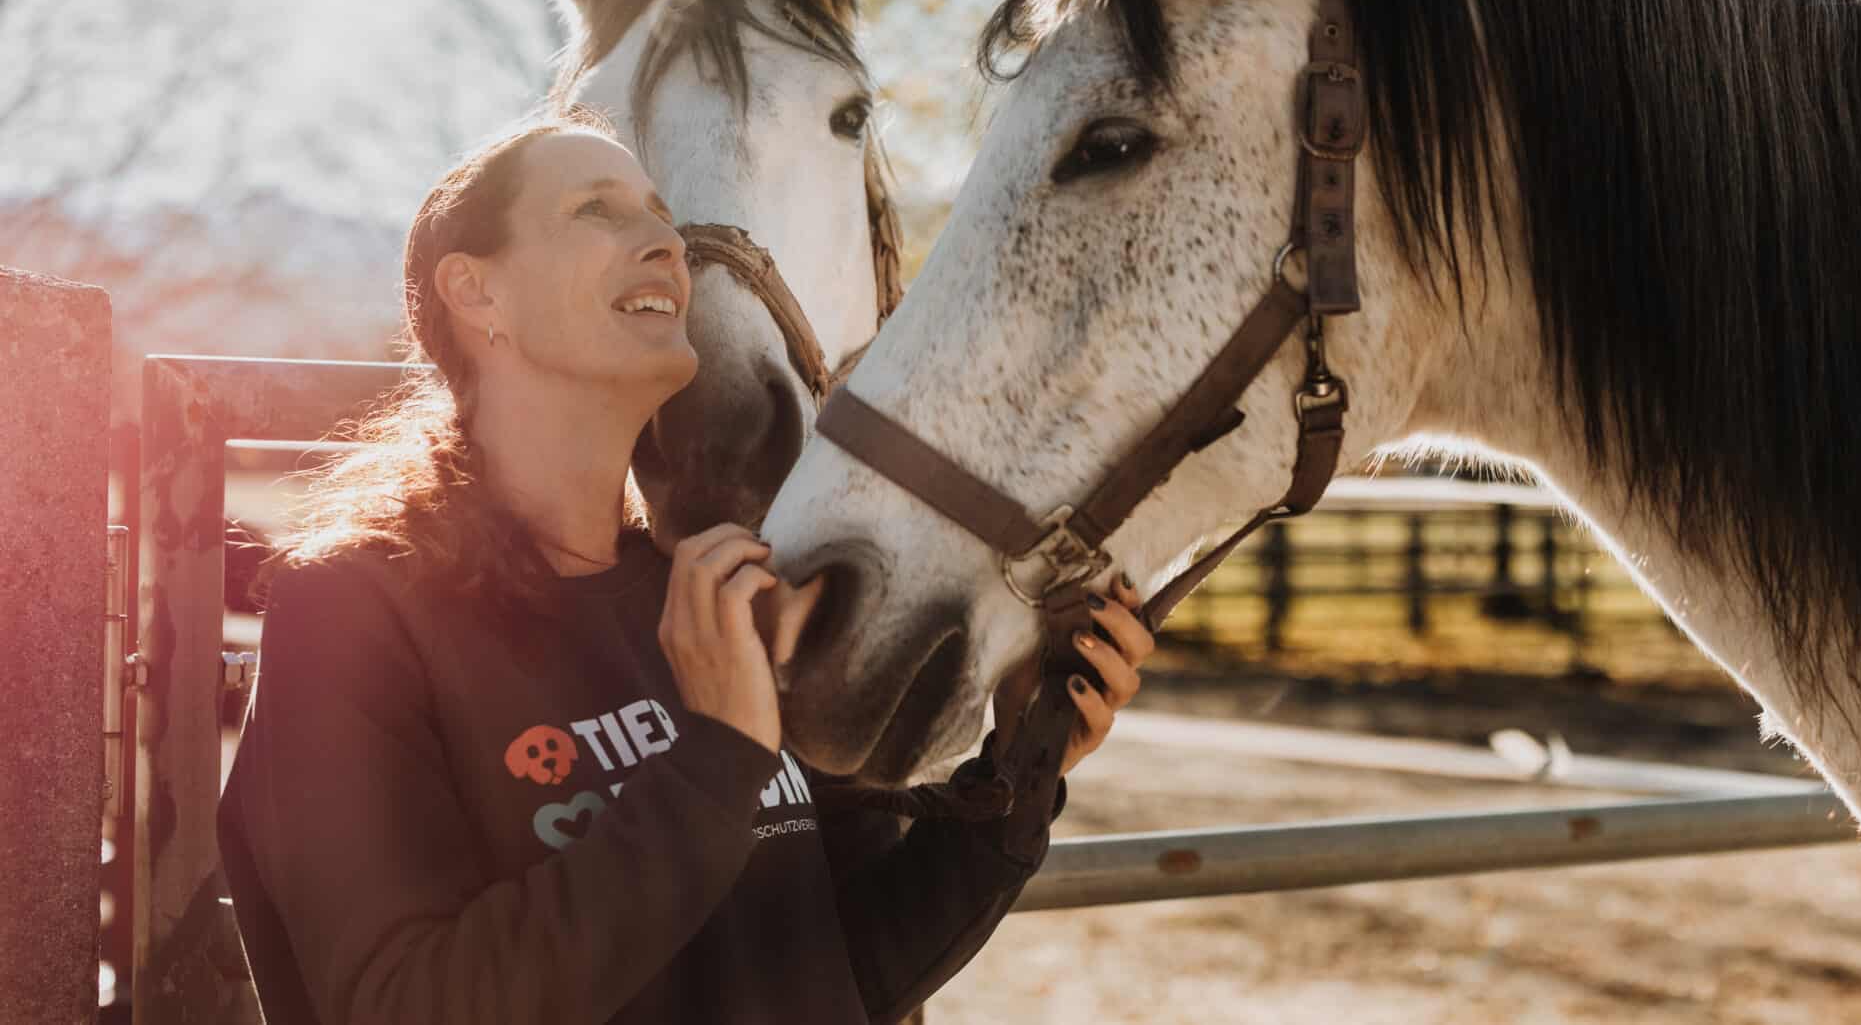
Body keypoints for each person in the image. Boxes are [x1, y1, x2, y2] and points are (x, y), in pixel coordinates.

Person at [216, 104, 1156, 1024]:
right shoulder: (351, 611)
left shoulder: (710, 597)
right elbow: (405, 1000)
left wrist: (1023, 763)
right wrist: (722, 757)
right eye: (597, 209)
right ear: (475, 292)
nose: (669, 243)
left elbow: (850, 972)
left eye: (661, 214)